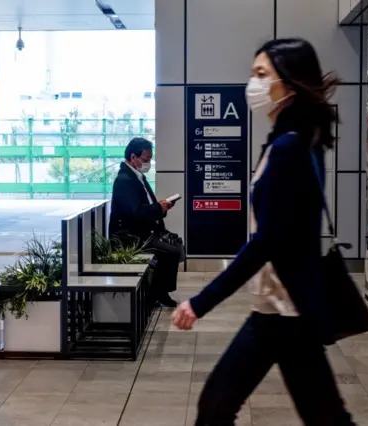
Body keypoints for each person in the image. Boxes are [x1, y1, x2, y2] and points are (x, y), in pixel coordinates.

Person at [171, 38, 355, 425]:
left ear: (288, 84)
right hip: (278, 309)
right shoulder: (295, 141)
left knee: (217, 409)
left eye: (260, 74)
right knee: (221, 408)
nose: (251, 84)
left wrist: (200, 302)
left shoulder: (290, 147)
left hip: (286, 310)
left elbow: (265, 243)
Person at [109, 137, 184, 308]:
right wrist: (159, 207)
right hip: (130, 237)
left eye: (150, 159)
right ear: (133, 157)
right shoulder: (125, 180)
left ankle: (159, 291)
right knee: (170, 251)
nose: (148, 163)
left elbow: (144, 207)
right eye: (145, 159)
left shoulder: (136, 176)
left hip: (143, 231)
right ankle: (158, 293)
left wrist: (161, 208)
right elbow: (135, 213)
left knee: (174, 245)